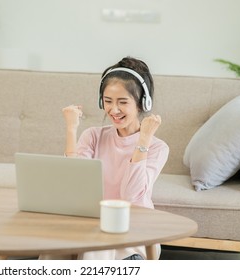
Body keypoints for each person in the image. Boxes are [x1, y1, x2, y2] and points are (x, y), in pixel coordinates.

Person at [62, 56, 169, 260]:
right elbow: (75, 187)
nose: (114, 110)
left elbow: (130, 195)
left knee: (96, 247)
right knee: (53, 251)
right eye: (108, 101)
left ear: (142, 104)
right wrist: (71, 129)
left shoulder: (157, 147)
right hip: (92, 223)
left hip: (133, 227)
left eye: (122, 102)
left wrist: (144, 140)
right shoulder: (93, 136)